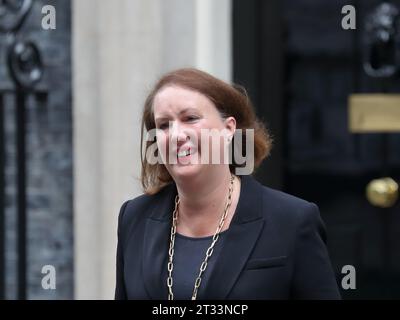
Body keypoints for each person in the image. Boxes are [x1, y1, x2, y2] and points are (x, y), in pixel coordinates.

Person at [115, 68, 341, 300]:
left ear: (229, 129)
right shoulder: (134, 217)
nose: (176, 135)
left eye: (190, 118)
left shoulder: (292, 220)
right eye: (163, 125)